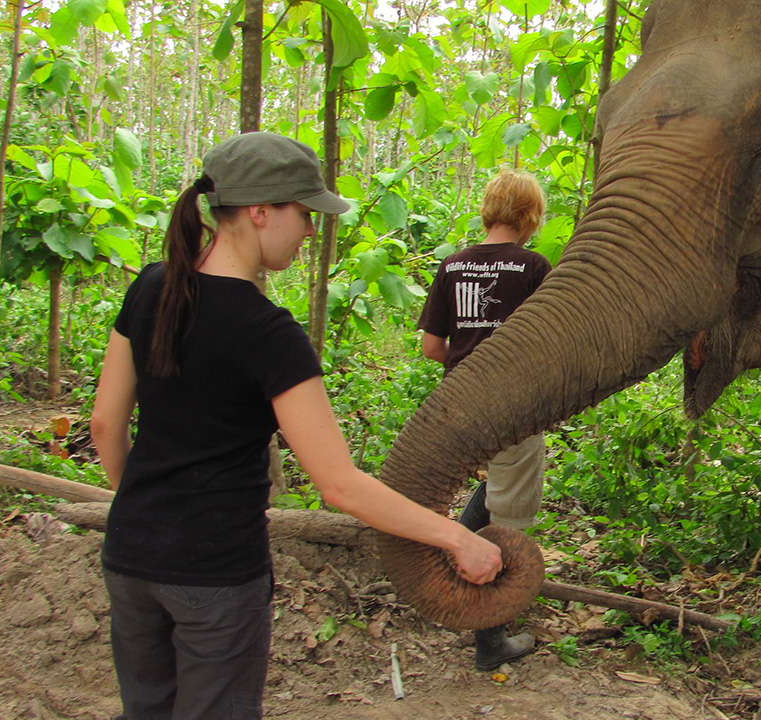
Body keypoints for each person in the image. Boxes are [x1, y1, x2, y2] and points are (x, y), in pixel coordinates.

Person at [89, 132, 504, 720]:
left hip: (129, 557)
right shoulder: (268, 333)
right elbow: (338, 485)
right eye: (304, 213)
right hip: (215, 576)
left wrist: (144, 510)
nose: (311, 230)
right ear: (260, 212)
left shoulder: (152, 286)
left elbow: (106, 424)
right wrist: (459, 536)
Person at [418, 167, 553, 671]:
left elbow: (433, 346)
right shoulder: (535, 268)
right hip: (514, 407)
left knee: (493, 493)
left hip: (461, 404)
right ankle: (490, 637)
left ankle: (450, 572)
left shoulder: (452, 266)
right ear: (530, 216)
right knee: (512, 519)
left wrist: (469, 362)